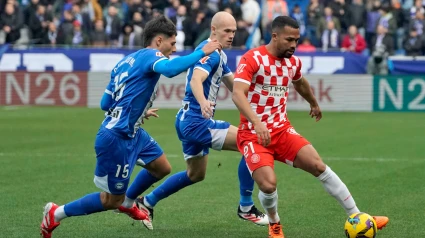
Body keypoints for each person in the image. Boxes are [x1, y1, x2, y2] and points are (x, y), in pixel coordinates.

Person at [40, 16, 222, 238]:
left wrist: (136, 110)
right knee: (109, 200)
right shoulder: (150, 55)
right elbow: (171, 70)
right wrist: (201, 52)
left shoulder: (124, 62)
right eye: (172, 44)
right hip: (116, 137)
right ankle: (55, 213)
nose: (174, 49)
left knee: (162, 167)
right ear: (157, 41)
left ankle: (128, 201)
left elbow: (105, 103)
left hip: (133, 131)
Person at [231, 16, 389, 238]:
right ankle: (275, 224)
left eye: (296, 40)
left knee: (318, 165)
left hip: (281, 130)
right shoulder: (252, 58)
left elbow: (300, 82)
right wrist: (256, 122)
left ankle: (358, 216)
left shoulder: (292, 62)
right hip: (253, 135)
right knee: (268, 185)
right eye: (289, 40)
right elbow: (238, 94)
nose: (294, 45)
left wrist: (313, 102)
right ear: (274, 36)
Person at [127, 11, 268, 230]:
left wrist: (262, 94)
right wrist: (203, 102)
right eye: (227, 31)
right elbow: (196, 79)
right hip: (196, 121)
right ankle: (246, 207)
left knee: (196, 174)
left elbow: (235, 87)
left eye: (234, 31)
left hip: (186, 121)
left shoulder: (218, 53)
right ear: (214, 30)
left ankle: (147, 202)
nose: (232, 35)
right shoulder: (210, 52)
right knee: (251, 143)